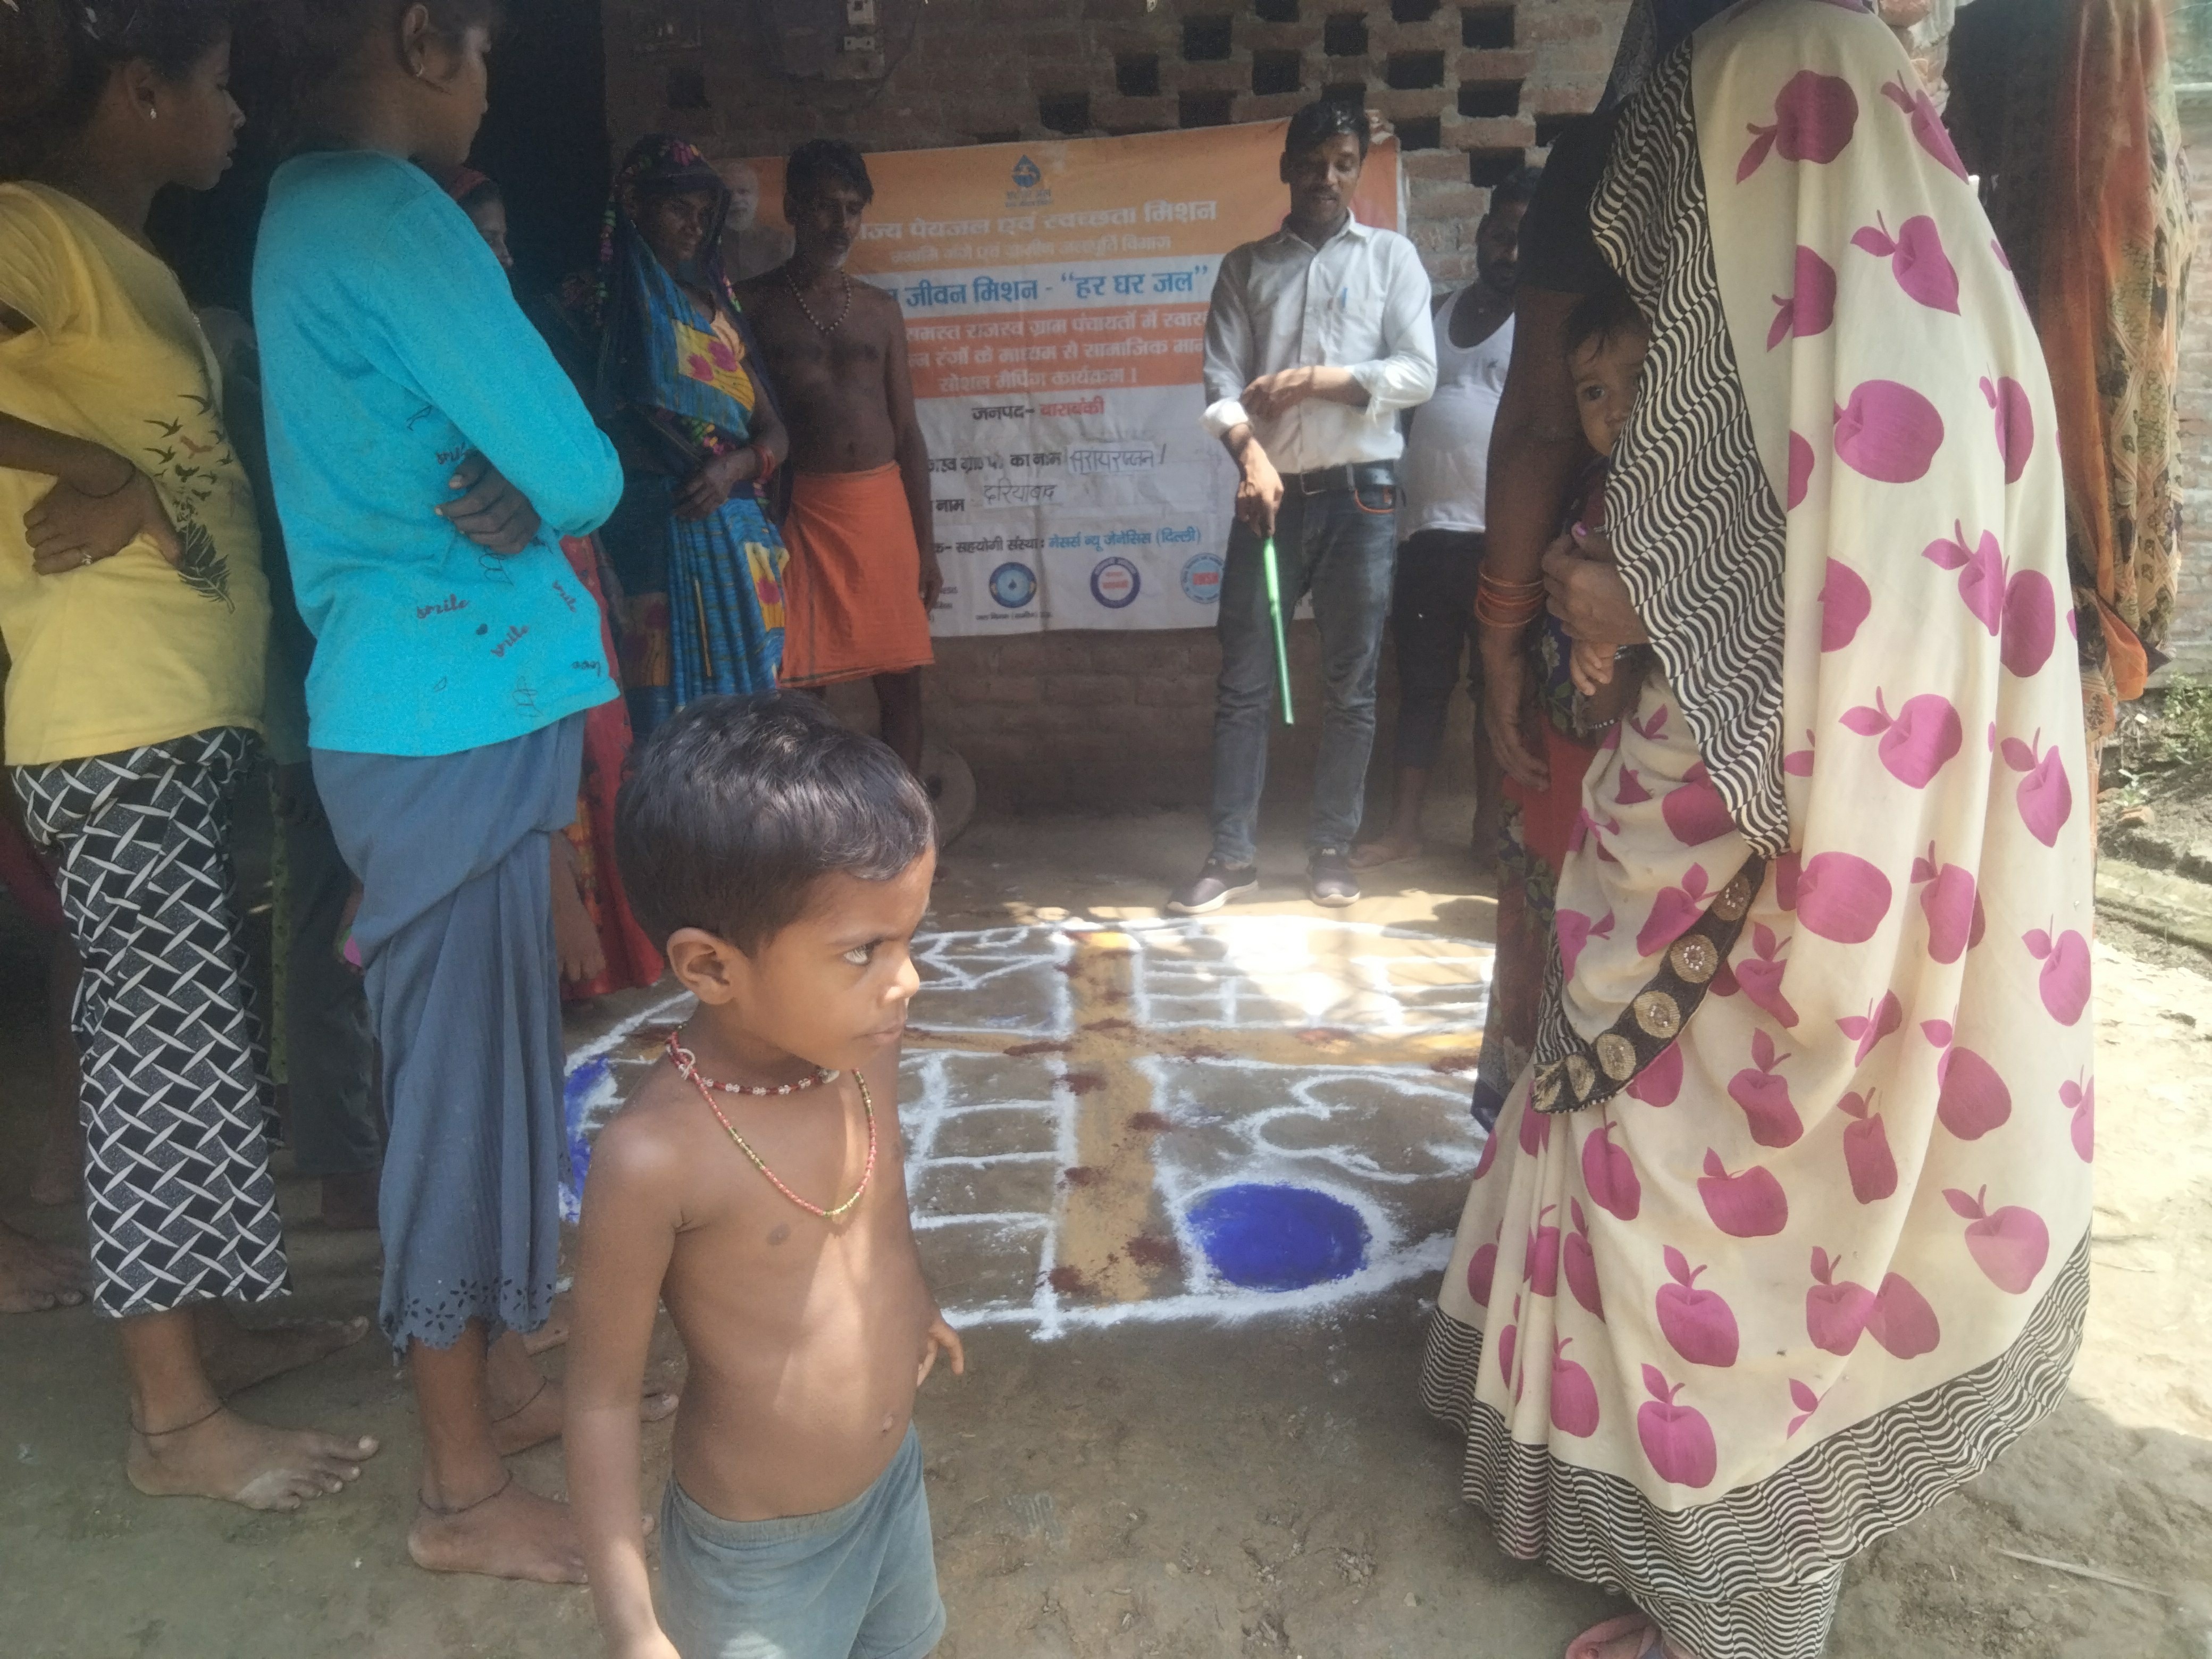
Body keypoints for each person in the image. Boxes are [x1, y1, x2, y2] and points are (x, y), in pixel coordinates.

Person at [1420, 7, 2095, 1659]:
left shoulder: (1817, 305)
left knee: (1719, 1200)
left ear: (1751, 159)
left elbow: (1812, 587)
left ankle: (1734, 1602)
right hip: (1850, 843)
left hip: (1765, 850)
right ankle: (1648, 1525)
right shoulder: (1936, 298)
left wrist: (1626, 601)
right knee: (1710, 1178)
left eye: (1685, 166)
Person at [252, 0, 656, 1581]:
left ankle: (500, 1378)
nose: (490, 83)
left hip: (428, 705)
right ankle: (461, 1487)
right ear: (423, 37)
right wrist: (539, 483)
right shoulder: (387, 209)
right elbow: (583, 470)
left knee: (490, 1080)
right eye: (483, 49)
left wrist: (516, 477)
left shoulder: (303, 210)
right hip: (445, 714)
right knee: (454, 1106)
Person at [0, 0, 377, 1497]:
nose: (236, 117)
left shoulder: (133, 263)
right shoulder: (32, 225)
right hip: (109, 716)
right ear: (139, 91)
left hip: (181, 712)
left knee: (200, 1042)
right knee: (153, 1054)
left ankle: (212, 1338)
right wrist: (93, 465)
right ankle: (172, 1423)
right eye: (216, 89)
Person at [569, 693, 965, 1659]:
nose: (907, 979)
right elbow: (601, 1400)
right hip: (759, 1567)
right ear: (711, 968)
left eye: (908, 939)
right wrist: (632, 1625)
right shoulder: (655, 1158)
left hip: (893, 1492)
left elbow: (880, 1198)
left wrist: (911, 1300)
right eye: (864, 951)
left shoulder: (862, 1049)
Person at [1170, 98, 1436, 915]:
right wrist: (1250, 457)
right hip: (1270, 500)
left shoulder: (1391, 258)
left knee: (1352, 684)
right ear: (1288, 167)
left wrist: (1318, 381)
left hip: (1364, 498)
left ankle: (1330, 849)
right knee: (1244, 681)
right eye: (1314, 162)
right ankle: (1232, 857)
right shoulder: (1246, 267)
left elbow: (1419, 373)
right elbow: (1221, 385)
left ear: (1358, 171)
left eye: (1344, 163)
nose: (1328, 177)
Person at [446, 165, 663, 1001]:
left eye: (505, 241)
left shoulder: (520, 336)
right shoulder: (443, 356)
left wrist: (598, 569)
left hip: (568, 570)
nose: (502, 259)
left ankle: (604, 956)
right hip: (506, 577)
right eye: (482, 241)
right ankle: (559, 955)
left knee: (598, 750)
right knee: (541, 761)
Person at [551, 136, 792, 741]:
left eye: (704, 214)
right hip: (646, 535)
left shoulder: (714, 309)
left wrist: (732, 469)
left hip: (738, 536)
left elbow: (774, 432)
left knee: (751, 723)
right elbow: (576, 429)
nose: (695, 226)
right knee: (657, 710)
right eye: (678, 209)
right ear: (635, 206)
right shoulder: (592, 309)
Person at [1351, 165, 1538, 872]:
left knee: (1498, 690)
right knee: (1421, 688)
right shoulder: (1434, 315)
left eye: (1524, 240)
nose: (1509, 253)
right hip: (1424, 536)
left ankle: (1487, 830)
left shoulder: (1541, 326)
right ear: (1481, 233)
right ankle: (1404, 829)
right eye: (1500, 235)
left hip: (1502, 543)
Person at [736, 140, 940, 779]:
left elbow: (908, 433)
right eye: (826, 207)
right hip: (799, 512)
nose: (840, 224)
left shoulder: (879, 310)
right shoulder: (751, 305)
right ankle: (807, 821)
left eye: (853, 209)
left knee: (901, 681)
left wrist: (927, 546)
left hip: (880, 511)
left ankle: (907, 824)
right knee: (802, 687)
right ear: (793, 209)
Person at [712, 155, 792, 284]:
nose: (735, 200)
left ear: (756, 196)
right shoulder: (708, 244)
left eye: (743, 191)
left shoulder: (781, 244)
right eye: (727, 194)